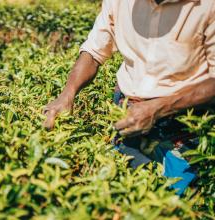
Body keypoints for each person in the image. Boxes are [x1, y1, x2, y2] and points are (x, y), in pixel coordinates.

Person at [43, 0, 215, 195]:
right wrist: (67, 94)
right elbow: (94, 50)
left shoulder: (208, 6)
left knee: (176, 201)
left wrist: (158, 108)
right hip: (128, 114)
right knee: (125, 194)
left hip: (185, 121)